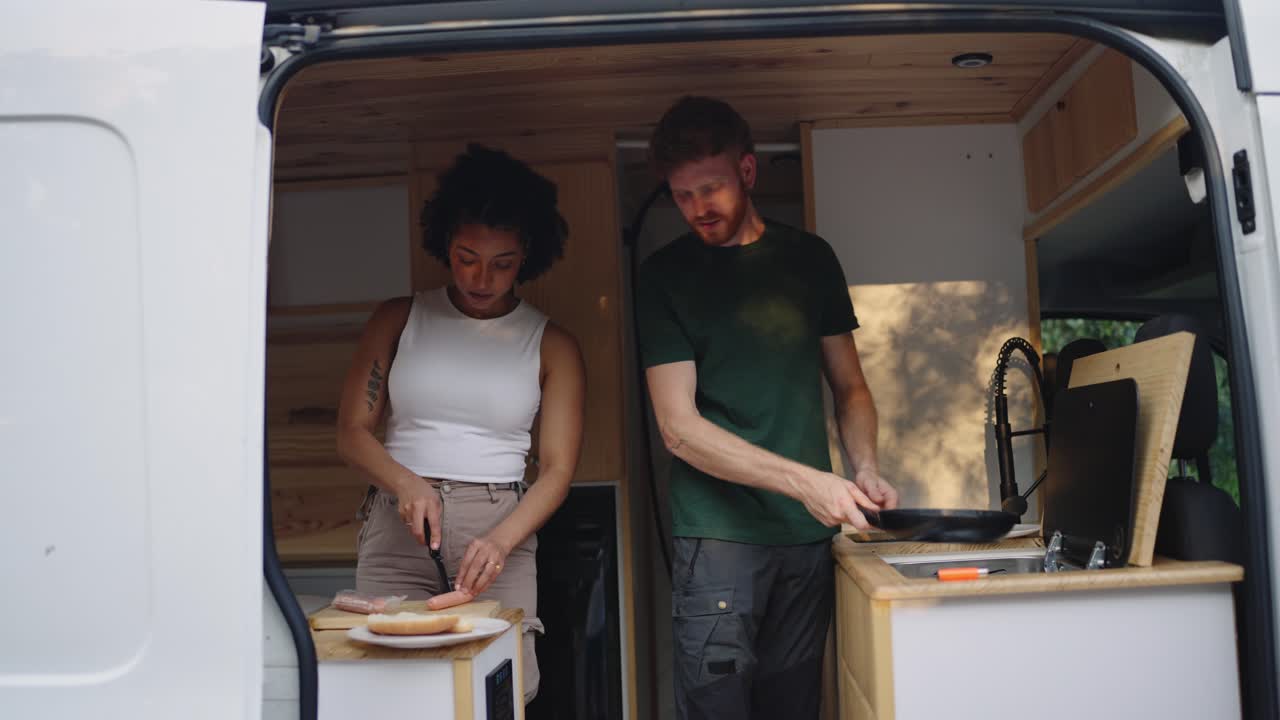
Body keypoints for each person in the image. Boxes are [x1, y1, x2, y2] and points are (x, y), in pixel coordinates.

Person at [636, 96, 899, 719]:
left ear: (747, 173)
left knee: (794, 708)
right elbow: (678, 429)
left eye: (712, 187)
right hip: (717, 537)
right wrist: (806, 480)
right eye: (682, 195)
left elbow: (851, 389)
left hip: (806, 540)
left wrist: (864, 467)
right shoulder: (663, 276)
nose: (698, 208)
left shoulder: (810, 259)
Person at [336, 144, 586, 704]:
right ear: (444, 244)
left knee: (501, 688)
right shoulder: (398, 318)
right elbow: (351, 431)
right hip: (399, 522)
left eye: (503, 262)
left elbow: (558, 470)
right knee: (390, 689)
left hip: (500, 526)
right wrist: (405, 482)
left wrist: (500, 540)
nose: (481, 277)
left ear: (528, 257)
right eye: (466, 256)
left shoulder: (554, 344)